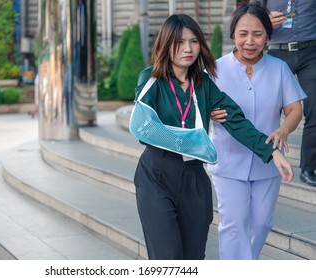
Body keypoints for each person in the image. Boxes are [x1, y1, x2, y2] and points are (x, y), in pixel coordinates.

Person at [132, 13, 293, 260]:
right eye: (180, 42)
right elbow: (143, 127)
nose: (188, 48)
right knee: (168, 256)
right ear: (165, 44)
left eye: (194, 41)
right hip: (157, 174)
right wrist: (190, 137)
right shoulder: (151, 78)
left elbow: (236, 121)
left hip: (194, 178)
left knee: (194, 256)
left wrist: (272, 151)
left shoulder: (204, 83)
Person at [209, 2, 306, 260]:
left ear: (267, 36)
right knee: (234, 225)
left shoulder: (279, 68)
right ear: (233, 35)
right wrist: (206, 112)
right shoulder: (215, 71)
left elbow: (295, 109)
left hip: (269, 162)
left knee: (262, 223)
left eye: (257, 34)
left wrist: (284, 129)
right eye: (243, 34)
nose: (250, 41)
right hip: (228, 160)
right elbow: (196, 105)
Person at [250, 0, 316, 186]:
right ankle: (262, 156)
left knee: (315, 110)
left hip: (311, 52)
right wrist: (265, 21)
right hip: (278, 52)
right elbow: (250, 15)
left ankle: (309, 168)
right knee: (266, 108)